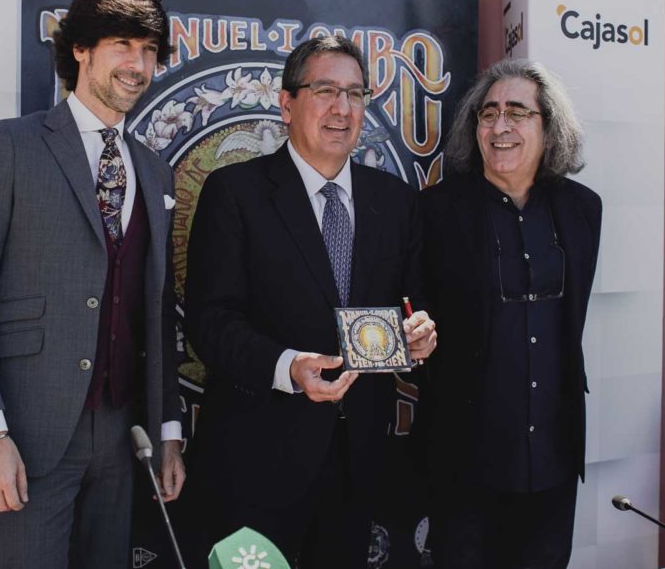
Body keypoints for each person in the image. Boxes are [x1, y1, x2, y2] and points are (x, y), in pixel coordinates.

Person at [0, 0, 185, 569]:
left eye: (149, 50)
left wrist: (168, 429)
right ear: (79, 50)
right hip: (28, 434)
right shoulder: (10, 146)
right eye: (122, 44)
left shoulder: (154, 170)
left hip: (124, 437)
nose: (139, 64)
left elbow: (155, 309)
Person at [184, 34, 437, 567]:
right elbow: (210, 322)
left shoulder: (394, 202)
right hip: (256, 460)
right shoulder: (235, 193)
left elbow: (413, 304)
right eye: (325, 90)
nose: (342, 108)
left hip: (358, 462)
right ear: (286, 102)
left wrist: (420, 335)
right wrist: (288, 367)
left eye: (355, 93)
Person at [420, 59, 602, 568]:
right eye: (488, 113)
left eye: (518, 113)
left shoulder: (584, 210)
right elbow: (411, 305)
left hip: (554, 457)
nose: (500, 126)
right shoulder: (435, 212)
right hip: (466, 460)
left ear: (549, 127)